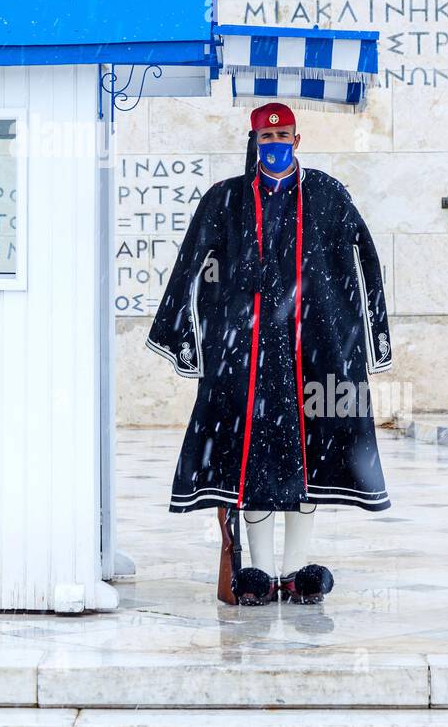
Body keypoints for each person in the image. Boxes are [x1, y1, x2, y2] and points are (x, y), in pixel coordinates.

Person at [146, 101, 392, 607]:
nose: (275, 147)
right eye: (266, 139)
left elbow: (364, 260)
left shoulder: (327, 194)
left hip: (313, 349)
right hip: (247, 356)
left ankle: (297, 569)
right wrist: (193, 331)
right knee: (253, 461)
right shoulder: (227, 200)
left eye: (284, 140)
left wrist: (370, 339)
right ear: (253, 141)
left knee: (307, 463)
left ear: (298, 142)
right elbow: (191, 262)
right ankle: (256, 572)